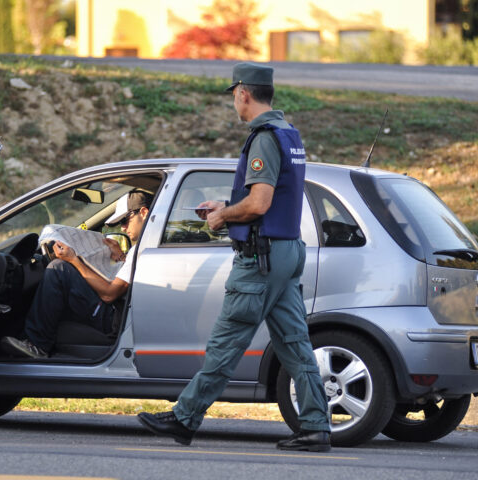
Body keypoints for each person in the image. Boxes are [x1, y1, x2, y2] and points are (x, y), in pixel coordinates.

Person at [136, 63, 332, 452]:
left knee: (226, 342)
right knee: (294, 343)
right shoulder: (288, 134)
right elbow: (274, 200)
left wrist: (223, 216)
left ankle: (185, 417)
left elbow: (260, 202)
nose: (234, 102)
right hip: (286, 252)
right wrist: (226, 205)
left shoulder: (262, 138)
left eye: (234, 95)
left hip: (261, 260)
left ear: (243, 92)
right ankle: (315, 426)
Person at [1, 190, 153, 359]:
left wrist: (74, 260)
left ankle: (38, 345)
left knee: (59, 269)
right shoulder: (148, 246)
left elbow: (110, 295)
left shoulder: (142, 249)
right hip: (123, 311)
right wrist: (122, 258)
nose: (123, 227)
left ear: (144, 213)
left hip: (115, 318)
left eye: (125, 220)